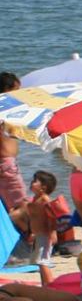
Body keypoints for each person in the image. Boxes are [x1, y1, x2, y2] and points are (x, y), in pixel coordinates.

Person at [0, 71, 26, 227]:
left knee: (5, 205)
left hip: (5, 163)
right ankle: (26, 239)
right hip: (6, 164)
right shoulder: (4, 108)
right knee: (22, 205)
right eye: (17, 90)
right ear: (7, 89)